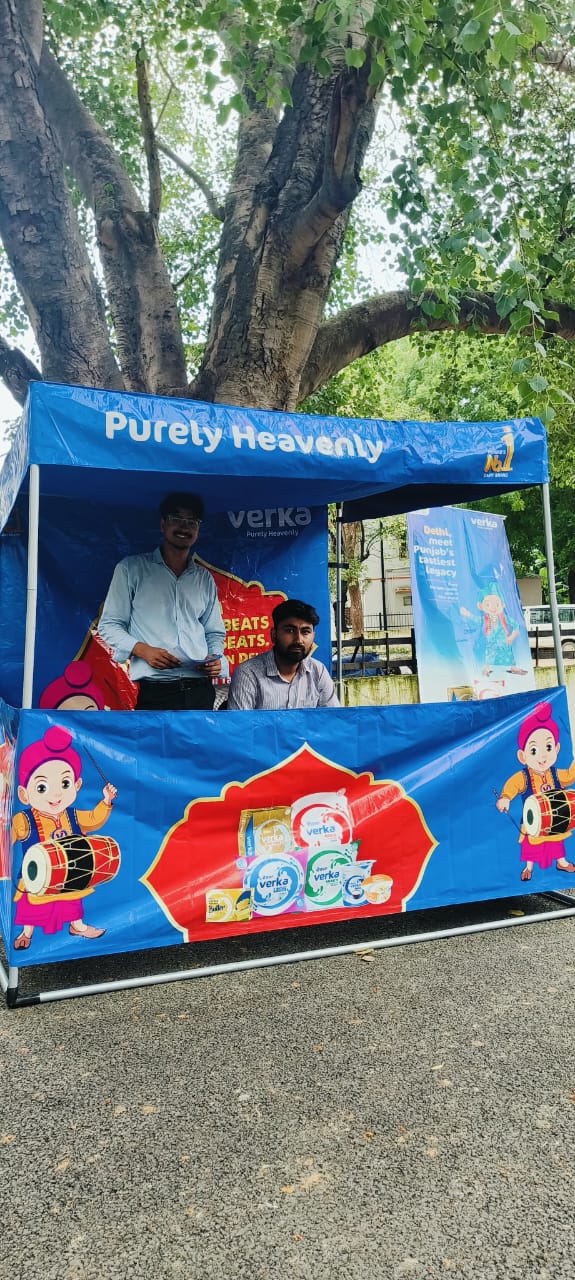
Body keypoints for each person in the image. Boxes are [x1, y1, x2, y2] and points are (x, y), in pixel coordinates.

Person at [98, 492, 227, 710]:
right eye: (177, 519)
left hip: (200, 689)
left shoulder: (203, 578)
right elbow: (109, 625)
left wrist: (215, 658)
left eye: (192, 522)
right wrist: (142, 650)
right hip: (156, 690)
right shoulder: (131, 569)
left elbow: (214, 632)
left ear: (198, 529)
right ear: (163, 524)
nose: (184, 527)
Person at [496, 700, 575, 881]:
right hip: (532, 820)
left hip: (554, 819)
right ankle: (528, 867)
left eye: (548, 747)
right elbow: (512, 785)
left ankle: (561, 862)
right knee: (530, 845)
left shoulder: (555, 773)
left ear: (556, 749)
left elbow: (570, 776)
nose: (542, 755)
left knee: (556, 841)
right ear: (522, 756)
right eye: (533, 750)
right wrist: (505, 798)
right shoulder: (524, 776)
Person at [227, 599, 339, 710]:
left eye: (305, 632)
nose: (298, 640)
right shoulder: (248, 673)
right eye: (290, 631)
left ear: (313, 636)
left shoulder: (318, 671)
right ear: (274, 634)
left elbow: (332, 718)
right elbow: (240, 722)